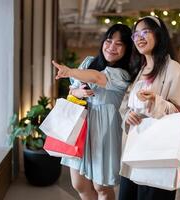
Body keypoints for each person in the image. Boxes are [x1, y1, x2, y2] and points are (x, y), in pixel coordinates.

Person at [52, 24, 136, 200]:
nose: (112, 47)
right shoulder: (89, 62)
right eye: (109, 41)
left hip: (105, 129)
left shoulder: (123, 73)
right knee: (79, 184)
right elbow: (71, 91)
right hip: (80, 124)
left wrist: (70, 71)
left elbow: (97, 77)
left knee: (102, 187)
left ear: (127, 49)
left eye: (119, 44)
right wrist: (79, 92)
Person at [118, 16, 180, 200]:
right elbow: (125, 106)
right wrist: (128, 116)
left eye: (146, 32)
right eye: (136, 34)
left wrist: (155, 102)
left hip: (159, 154)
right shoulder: (139, 69)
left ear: (158, 35)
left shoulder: (175, 70)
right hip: (135, 150)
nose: (139, 38)